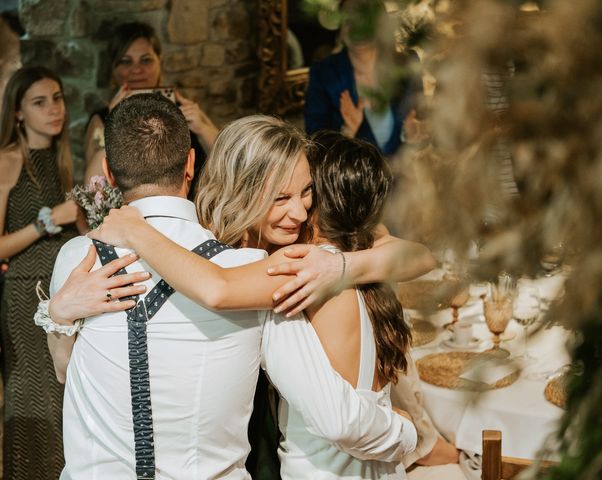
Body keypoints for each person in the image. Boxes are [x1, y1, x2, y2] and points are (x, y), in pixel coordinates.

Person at [46, 98, 418, 478]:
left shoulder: (77, 258)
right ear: (191, 164)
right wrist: (407, 433)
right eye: (281, 197)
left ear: (108, 172)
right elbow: (335, 415)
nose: (302, 212)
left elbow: (63, 369)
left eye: (305, 194)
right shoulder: (257, 273)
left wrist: (57, 313)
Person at [0, 66, 80, 480]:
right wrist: (47, 221)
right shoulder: (9, 161)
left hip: (65, 296)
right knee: (35, 401)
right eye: (39, 102)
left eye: (58, 98)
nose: (54, 109)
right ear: (16, 113)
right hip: (24, 298)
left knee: (68, 398)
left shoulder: (64, 161)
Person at [83, 21, 219, 192]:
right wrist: (112, 121)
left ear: (159, 61)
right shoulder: (102, 119)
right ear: (113, 69)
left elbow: (232, 163)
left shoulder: (184, 109)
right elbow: (91, 188)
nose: (137, 69)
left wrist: (202, 128)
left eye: (146, 60)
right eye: (126, 62)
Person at [304, 0, 424, 156]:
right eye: (349, 20)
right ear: (341, 27)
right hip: (353, 179)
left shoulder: (407, 64)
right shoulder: (323, 73)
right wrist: (346, 133)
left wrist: (412, 135)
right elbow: (315, 146)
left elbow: (424, 125)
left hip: (404, 177)